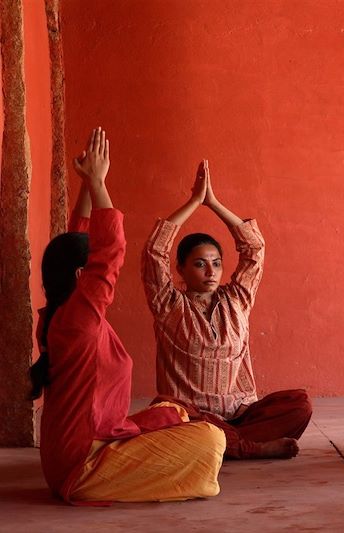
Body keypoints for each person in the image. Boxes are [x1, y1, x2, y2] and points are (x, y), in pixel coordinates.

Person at [32, 128, 225, 504]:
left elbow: (79, 241)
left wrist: (87, 184)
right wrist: (100, 183)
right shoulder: (78, 319)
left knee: (171, 410)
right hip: (83, 468)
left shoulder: (62, 312)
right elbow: (110, 250)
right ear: (79, 276)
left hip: (76, 454)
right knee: (210, 439)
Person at [141, 159, 312, 460]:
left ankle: (224, 446)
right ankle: (244, 448)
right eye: (199, 264)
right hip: (193, 416)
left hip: (239, 414)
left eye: (216, 263)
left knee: (299, 405)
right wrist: (194, 202)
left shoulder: (238, 299)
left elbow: (254, 249)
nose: (211, 271)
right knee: (167, 412)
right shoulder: (169, 305)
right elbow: (155, 251)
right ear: (180, 268)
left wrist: (214, 203)